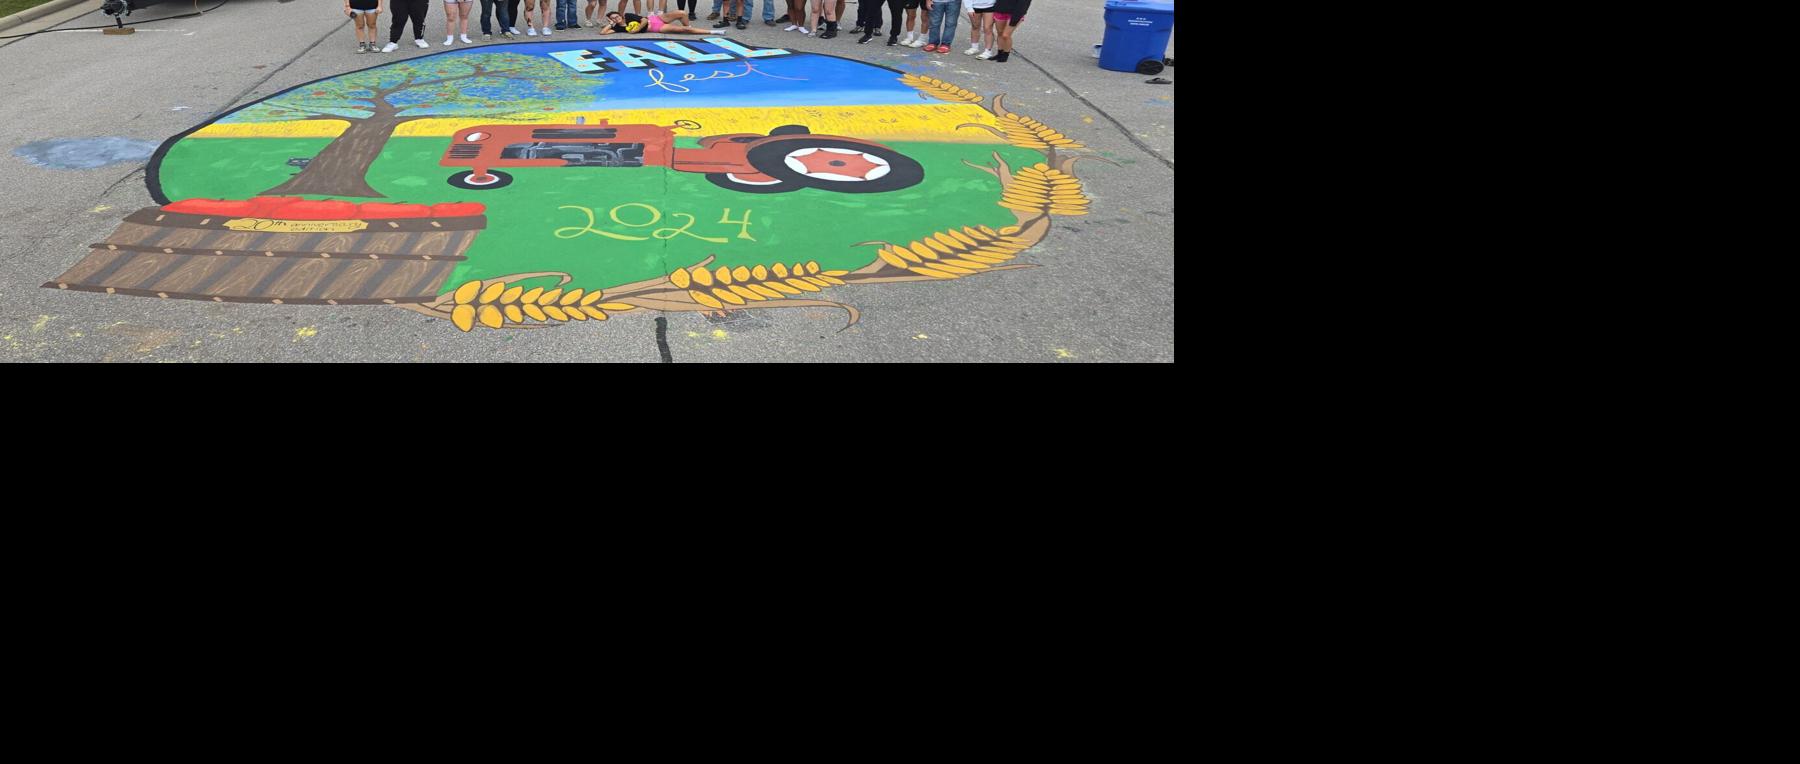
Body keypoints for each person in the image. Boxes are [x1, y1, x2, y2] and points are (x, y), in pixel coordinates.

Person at [598, 7, 718, 33]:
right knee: (682, 29)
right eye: (613, 18)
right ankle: (712, 32)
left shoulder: (628, 16)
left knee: (681, 13)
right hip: (655, 27)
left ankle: (691, 28)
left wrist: (636, 30)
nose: (616, 18)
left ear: (621, 15)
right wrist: (611, 24)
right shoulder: (617, 27)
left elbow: (644, 20)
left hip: (655, 18)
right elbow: (603, 33)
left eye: (617, 16)